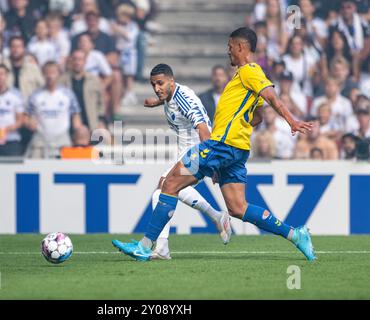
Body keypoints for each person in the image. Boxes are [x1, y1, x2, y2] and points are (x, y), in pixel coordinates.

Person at [112, 27, 316, 262]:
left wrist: (291, 120)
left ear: (241, 47)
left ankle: (146, 246)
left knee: (169, 184)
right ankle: (295, 235)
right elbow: (257, 116)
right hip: (236, 149)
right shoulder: (243, 79)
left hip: (221, 145)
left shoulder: (250, 70)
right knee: (238, 208)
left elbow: (271, 96)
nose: (228, 51)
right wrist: (238, 123)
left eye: (230, 47)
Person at [135, 63, 231, 260]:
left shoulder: (184, 99)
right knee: (173, 189)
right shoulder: (170, 94)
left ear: (172, 81)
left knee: (162, 190)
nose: (157, 88)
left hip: (197, 154)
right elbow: (169, 101)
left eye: (160, 83)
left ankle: (161, 248)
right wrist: (155, 102)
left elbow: (204, 129)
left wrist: (212, 163)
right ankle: (217, 217)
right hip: (185, 152)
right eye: (153, 85)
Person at [25, 61, 84, 159]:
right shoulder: (35, 95)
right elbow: (27, 116)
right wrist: (29, 122)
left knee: (64, 170)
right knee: (34, 167)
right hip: (41, 139)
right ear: (43, 74)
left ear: (58, 74)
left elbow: (75, 114)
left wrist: (79, 130)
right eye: (47, 73)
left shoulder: (68, 94)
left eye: (53, 72)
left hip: (62, 140)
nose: (50, 76)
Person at [60, 50, 107, 132]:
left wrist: (101, 120)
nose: (77, 62)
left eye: (80, 60)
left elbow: (100, 103)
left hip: (90, 123)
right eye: (75, 59)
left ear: (85, 62)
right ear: (71, 61)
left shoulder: (94, 80)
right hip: (68, 125)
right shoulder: (62, 81)